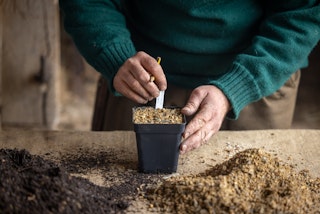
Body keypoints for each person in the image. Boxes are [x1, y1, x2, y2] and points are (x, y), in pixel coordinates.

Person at [59, 1, 320, 154]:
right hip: (137, 77)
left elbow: (303, 14)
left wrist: (236, 87)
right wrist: (114, 54)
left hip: (259, 77)